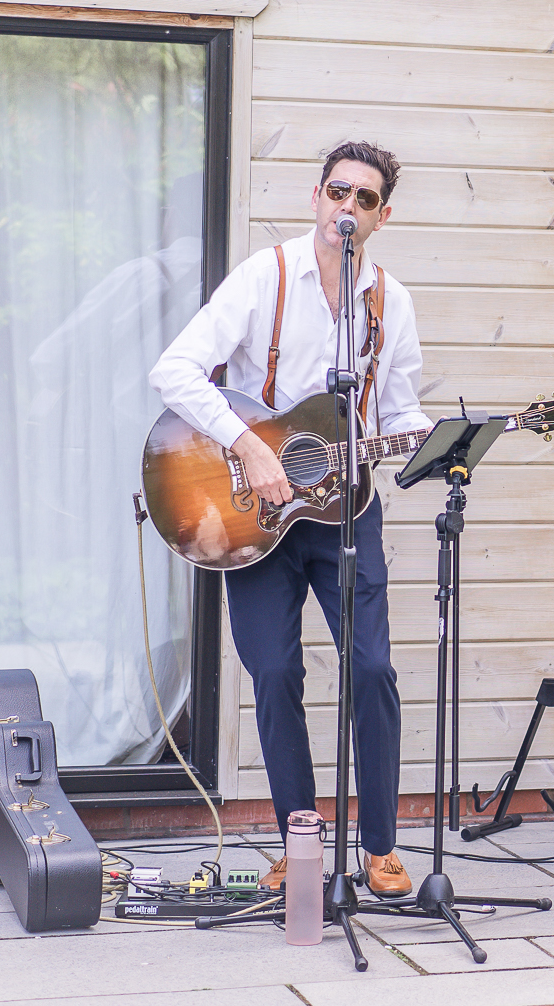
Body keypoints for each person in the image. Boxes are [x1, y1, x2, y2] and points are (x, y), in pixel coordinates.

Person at [150, 141, 425, 897]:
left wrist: (433, 443)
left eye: (365, 198)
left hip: (348, 508)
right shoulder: (264, 277)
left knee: (372, 669)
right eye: (339, 191)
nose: (348, 206)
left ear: (382, 216)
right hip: (252, 511)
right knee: (274, 673)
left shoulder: (387, 302)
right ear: (316, 197)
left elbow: (398, 409)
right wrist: (249, 445)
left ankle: (378, 846)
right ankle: (298, 841)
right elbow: (172, 369)